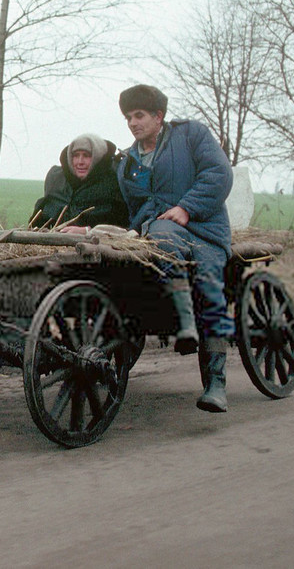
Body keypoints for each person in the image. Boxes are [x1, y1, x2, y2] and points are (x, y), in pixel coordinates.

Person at [115, 84, 234, 413]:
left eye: (139, 115)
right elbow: (136, 207)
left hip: (205, 230)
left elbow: (218, 173)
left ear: (158, 116)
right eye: (128, 117)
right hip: (161, 232)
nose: (133, 123)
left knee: (210, 289)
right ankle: (184, 324)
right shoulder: (128, 162)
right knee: (161, 239)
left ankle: (215, 384)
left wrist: (187, 208)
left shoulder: (191, 135)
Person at [32, 133, 129, 232]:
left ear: (97, 157)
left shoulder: (114, 181)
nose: (80, 162)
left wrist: (88, 231)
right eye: (76, 155)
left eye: (86, 155)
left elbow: (122, 227)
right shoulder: (56, 179)